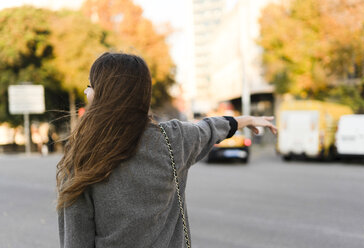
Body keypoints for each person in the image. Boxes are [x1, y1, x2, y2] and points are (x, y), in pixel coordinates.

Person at [56, 52, 277, 248]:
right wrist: (245, 120)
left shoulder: (83, 155)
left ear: (101, 94)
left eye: (90, 86)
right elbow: (210, 128)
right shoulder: (173, 139)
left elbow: (76, 239)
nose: (87, 91)